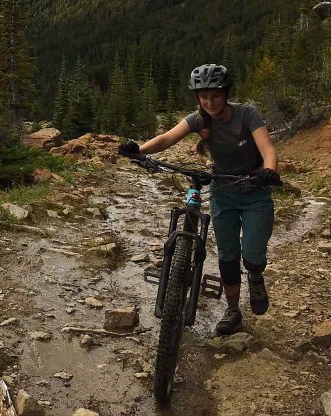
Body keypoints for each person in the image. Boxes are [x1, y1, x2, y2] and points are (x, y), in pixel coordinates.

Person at [119, 64, 280, 336]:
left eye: (215, 95)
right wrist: (138, 151)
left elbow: (268, 150)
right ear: (197, 98)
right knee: (228, 255)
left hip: (254, 189)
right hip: (223, 191)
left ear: (226, 94)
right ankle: (233, 311)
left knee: (252, 254)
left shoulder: (246, 114)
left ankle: (254, 275)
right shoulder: (198, 119)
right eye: (203, 96)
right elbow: (167, 138)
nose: (209, 102)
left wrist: (269, 171)